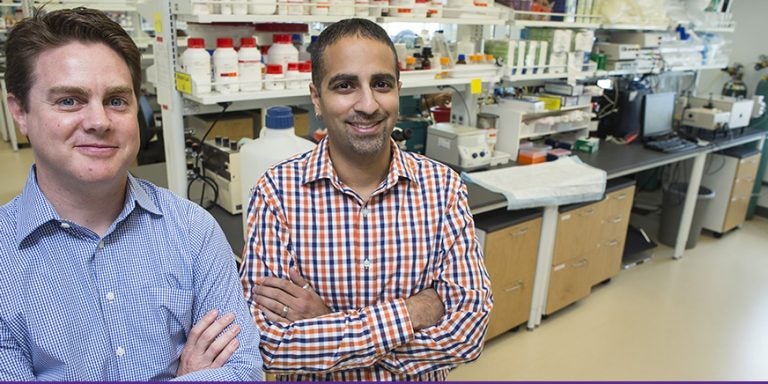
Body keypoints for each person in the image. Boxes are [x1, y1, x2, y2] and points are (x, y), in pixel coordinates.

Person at [0, 7, 262, 380]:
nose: (99, 122)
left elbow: (244, 372)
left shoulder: (192, 230)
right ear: (20, 112)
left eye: (117, 100)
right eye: (69, 101)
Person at [240, 18, 493, 381]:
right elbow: (268, 345)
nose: (368, 104)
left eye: (381, 84)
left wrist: (327, 322)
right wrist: (413, 311)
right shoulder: (277, 192)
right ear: (317, 98)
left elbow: (468, 332)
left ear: (398, 90)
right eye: (345, 86)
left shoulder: (443, 188)